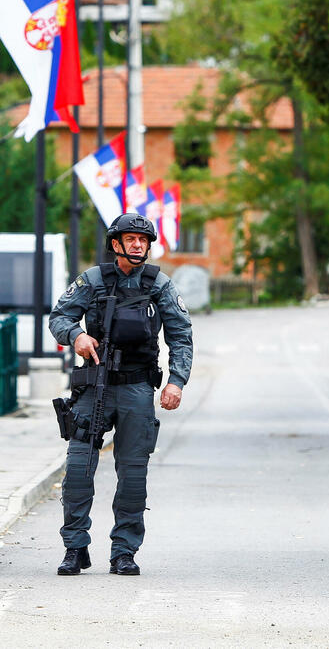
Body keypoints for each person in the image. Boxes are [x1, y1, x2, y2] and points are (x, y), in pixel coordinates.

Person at [49, 213, 193, 576]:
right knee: (79, 468)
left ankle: (124, 551)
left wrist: (176, 381)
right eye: (130, 239)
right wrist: (76, 336)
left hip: (137, 389)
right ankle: (75, 548)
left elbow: (180, 333)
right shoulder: (93, 280)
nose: (137, 245)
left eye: (143, 240)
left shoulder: (158, 284)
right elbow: (59, 316)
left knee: (132, 474)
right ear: (116, 244)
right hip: (93, 386)